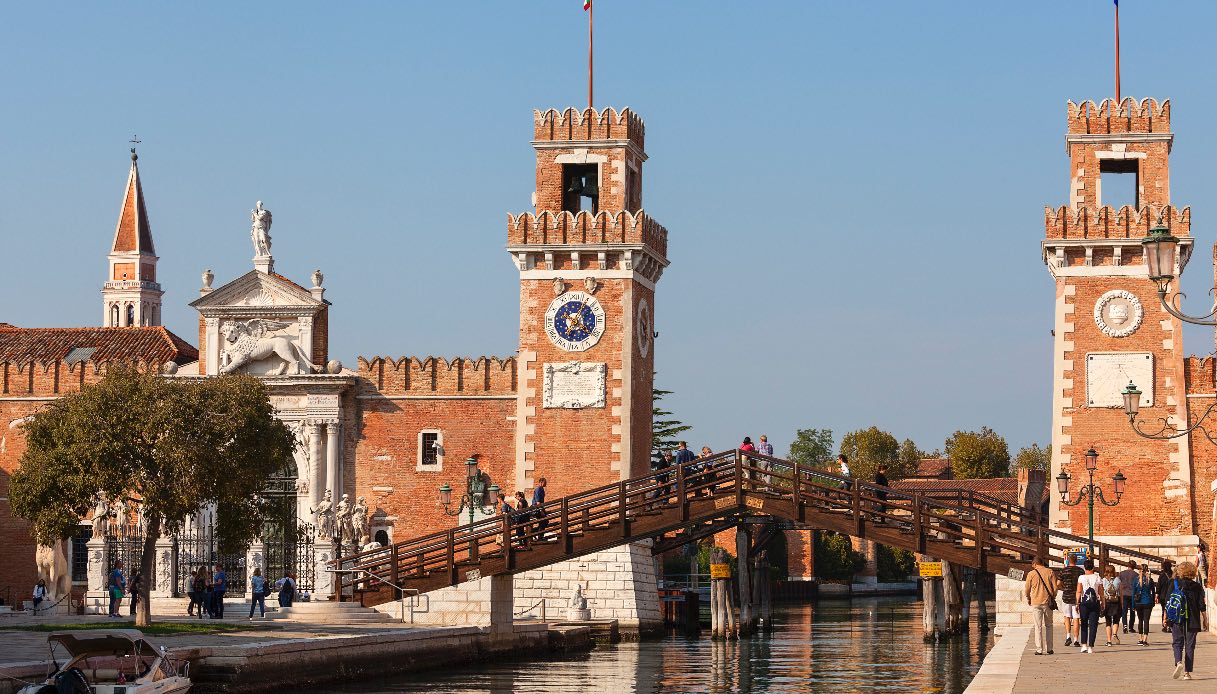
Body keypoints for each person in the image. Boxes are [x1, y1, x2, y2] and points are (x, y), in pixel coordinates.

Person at [1166, 561, 1208, 681]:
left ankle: (1178, 662)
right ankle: (1187, 673)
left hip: (1177, 617)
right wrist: (1204, 619)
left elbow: (1168, 602)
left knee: (1177, 642)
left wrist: (1165, 617)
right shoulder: (1197, 586)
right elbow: (1201, 605)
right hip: (1193, 618)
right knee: (1190, 645)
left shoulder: (1174, 583)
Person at [1024, 555, 1058, 655]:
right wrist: (1053, 597)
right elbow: (1055, 588)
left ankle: (1039, 649)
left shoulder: (1031, 574)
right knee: (1049, 626)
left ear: (1034, 564)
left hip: (1035, 602)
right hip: (1048, 602)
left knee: (1038, 626)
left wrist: (1028, 598)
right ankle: (1049, 648)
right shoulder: (1050, 572)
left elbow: (1027, 589)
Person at [1075, 558, 1104, 653]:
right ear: (1093, 567)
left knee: (1083, 623)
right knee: (1093, 625)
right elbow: (1101, 592)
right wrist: (1103, 602)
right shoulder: (1097, 577)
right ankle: (1091, 646)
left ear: (1084, 567)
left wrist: (1077, 603)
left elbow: (1079, 591)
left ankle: (1083, 645)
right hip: (1094, 603)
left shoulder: (1081, 577)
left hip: (1084, 603)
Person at [1056, 554, 1084, 647]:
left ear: (1068, 560)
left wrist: (1063, 588)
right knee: (1076, 618)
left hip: (1066, 596)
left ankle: (1068, 637)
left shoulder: (1064, 570)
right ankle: (1076, 639)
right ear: (1076, 561)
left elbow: (1058, 583)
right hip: (1077, 597)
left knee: (1067, 616)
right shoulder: (1080, 571)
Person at [1133, 563, 1156, 646]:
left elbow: (1133, 593)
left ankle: (1140, 638)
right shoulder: (1149, 580)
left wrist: (1133, 605)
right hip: (1147, 602)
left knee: (1140, 620)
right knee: (1146, 620)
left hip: (1138, 602)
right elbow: (1153, 592)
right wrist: (1153, 603)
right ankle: (1145, 640)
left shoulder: (1136, 580)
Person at [1100, 564, 1121, 646]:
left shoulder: (1103, 580)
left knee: (1108, 621)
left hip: (1107, 601)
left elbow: (1102, 592)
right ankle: (1115, 634)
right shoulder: (1118, 580)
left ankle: (1109, 641)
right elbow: (1121, 593)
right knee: (1116, 619)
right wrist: (1122, 603)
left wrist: (1102, 602)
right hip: (1116, 601)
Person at [1117, 562, 1138, 634]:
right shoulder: (1136, 574)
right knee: (1132, 611)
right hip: (1132, 594)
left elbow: (1119, 583)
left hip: (1124, 593)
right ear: (1134, 566)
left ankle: (1125, 625)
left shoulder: (1121, 573)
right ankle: (1131, 627)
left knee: (1124, 611)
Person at [1157, 558, 1176, 633]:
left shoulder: (1162, 576)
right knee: (1171, 610)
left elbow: (1158, 586)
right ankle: (1170, 625)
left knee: (1164, 610)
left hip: (1163, 596)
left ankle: (1165, 625)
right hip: (1172, 595)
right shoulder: (1173, 575)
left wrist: (1157, 595)